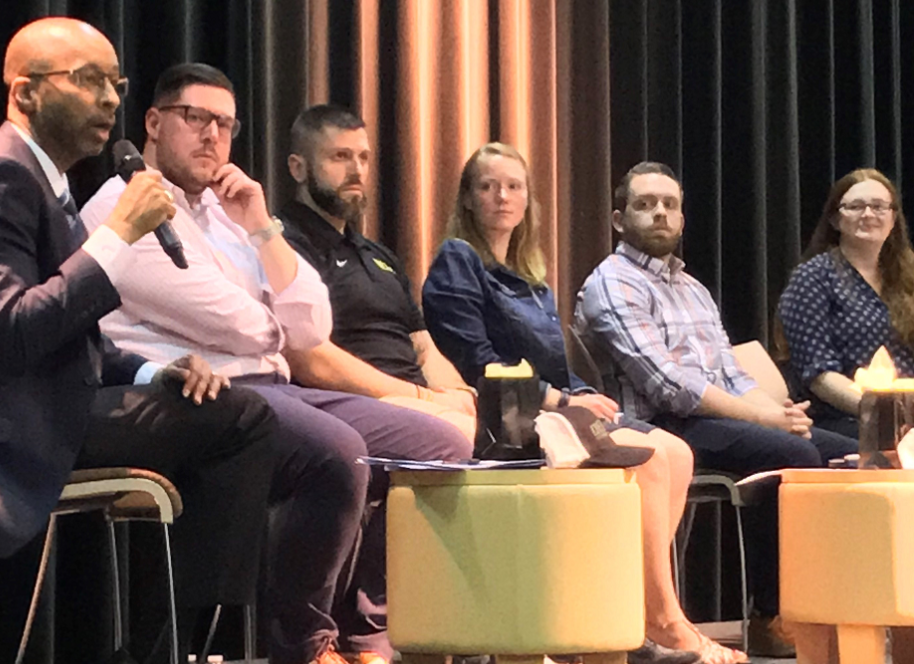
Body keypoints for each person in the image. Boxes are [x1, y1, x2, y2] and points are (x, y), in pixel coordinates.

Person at [0, 18, 370, 664]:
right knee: (241, 419)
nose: (108, 98)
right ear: (25, 93)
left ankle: (178, 646)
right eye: (86, 80)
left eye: (114, 82)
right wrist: (116, 239)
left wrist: (152, 373)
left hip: (46, 400)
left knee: (228, 412)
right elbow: (14, 335)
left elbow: (68, 337)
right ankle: (184, 649)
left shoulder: (36, 177)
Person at [80, 64, 472, 664]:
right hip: (206, 398)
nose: (212, 135)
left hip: (275, 383)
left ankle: (368, 633)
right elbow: (223, 316)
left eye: (226, 124)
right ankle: (303, 644)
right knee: (338, 452)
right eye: (196, 118)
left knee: (439, 444)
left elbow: (313, 323)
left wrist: (263, 227)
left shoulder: (228, 213)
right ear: (154, 123)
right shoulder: (121, 204)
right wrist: (274, 321)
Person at [421, 143, 742, 664]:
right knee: (654, 459)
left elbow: (549, 359)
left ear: (528, 200)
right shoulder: (458, 260)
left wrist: (579, 390)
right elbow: (476, 360)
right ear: (468, 199)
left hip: (551, 405)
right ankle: (659, 619)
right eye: (488, 186)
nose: (502, 196)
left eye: (513, 186)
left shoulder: (529, 276)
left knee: (677, 453)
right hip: (506, 416)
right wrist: (562, 397)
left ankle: (627, 612)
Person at [579, 161, 859, 658]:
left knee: (852, 459)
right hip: (660, 425)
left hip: (716, 417)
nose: (660, 214)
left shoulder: (692, 288)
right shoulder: (613, 282)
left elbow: (731, 376)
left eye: (670, 205)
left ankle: (845, 603)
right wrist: (767, 420)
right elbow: (668, 385)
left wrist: (779, 413)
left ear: (683, 219)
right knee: (793, 456)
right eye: (645, 205)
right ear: (620, 220)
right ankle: (774, 614)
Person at [276, 105, 476, 442]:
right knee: (456, 434)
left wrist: (460, 394)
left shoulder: (378, 255)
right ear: (298, 168)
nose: (356, 170)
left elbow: (423, 347)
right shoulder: (283, 246)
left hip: (417, 403)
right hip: (349, 406)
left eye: (363, 158)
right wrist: (423, 398)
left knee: (528, 438)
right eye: (340, 156)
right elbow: (311, 360)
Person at [778, 168, 914, 440]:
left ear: (893, 218)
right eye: (855, 206)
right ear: (835, 219)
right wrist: (885, 413)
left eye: (878, 206)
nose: (868, 214)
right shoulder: (812, 279)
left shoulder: (909, 276)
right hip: (843, 419)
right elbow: (820, 377)